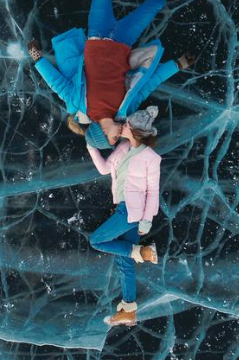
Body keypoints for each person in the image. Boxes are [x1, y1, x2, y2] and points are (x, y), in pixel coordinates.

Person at [27, 0, 215, 148]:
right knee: (156, 3)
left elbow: (57, 84)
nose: (118, 138)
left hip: (97, 35)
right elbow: (148, 84)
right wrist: (177, 64)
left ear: (101, 133)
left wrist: (37, 57)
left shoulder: (79, 105)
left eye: (112, 139)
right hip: (123, 41)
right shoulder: (125, 110)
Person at [86, 106, 162, 326]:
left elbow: (153, 191)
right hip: (122, 207)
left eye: (127, 124)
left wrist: (147, 221)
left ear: (136, 131)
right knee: (124, 262)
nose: (123, 126)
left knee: (96, 241)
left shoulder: (151, 158)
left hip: (131, 210)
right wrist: (91, 146)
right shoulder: (122, 147)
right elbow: (104, 169)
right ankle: (129, 309)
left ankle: (142, 252)